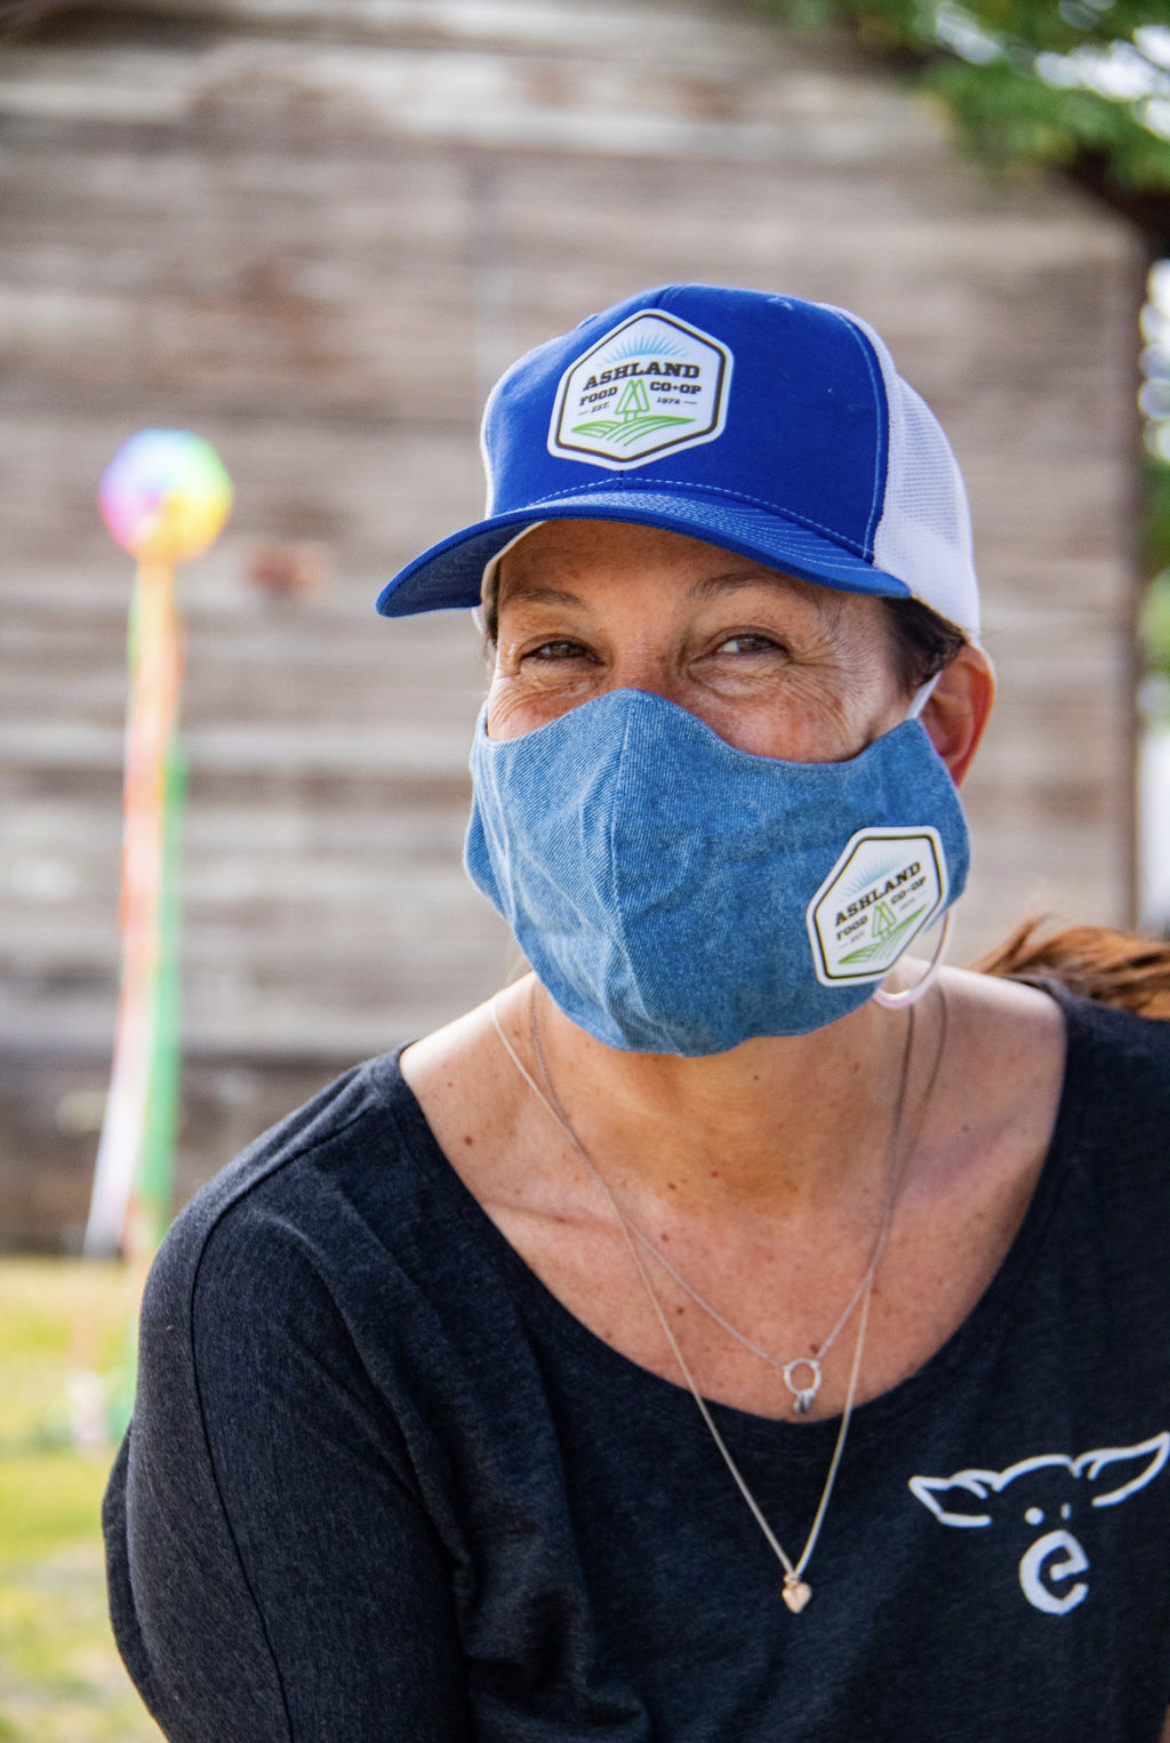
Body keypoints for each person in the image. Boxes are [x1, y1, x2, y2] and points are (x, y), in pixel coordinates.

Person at [103, 285, 1170, 1742]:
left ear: (941, 727)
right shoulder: (304, 1288)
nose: (628, 745)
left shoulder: (1137, 1161)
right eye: (557, 652)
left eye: (741, 644)